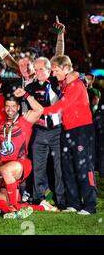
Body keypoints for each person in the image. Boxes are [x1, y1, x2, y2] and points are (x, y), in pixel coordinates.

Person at [43, 55, 97, 215]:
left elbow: (62, 106)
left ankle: (89, 205)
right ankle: (73, 203)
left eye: (56, 70)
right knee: (68, 167)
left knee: (83, 167)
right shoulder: (66, 83)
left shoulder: (76, 84)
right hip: (68, 130)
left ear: (66, 69)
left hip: (82, 131)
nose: (54, 74)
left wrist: (40, 111)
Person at [0, 89, 44, 210]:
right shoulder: (2, 123)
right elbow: (3, 143)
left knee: (4, 169)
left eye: (13, 106)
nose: (10, 109)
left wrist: (26, 94)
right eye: (7, 106)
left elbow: (40, 110)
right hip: (4, 164)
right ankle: (41, 207)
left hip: (21, 163)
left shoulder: (25, 120)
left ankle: (14, 207)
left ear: (18, 107)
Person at [24, 57, 65, 208]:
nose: (38, 71)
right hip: (38, 131)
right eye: (36, 68)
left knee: (58, 166)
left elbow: (60, 57)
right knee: (38, 165)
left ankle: (62, 199)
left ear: (49, 70)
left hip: (57, 130)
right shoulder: (30, 87)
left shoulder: (57, 83)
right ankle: (37, 197)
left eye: (42, 69)